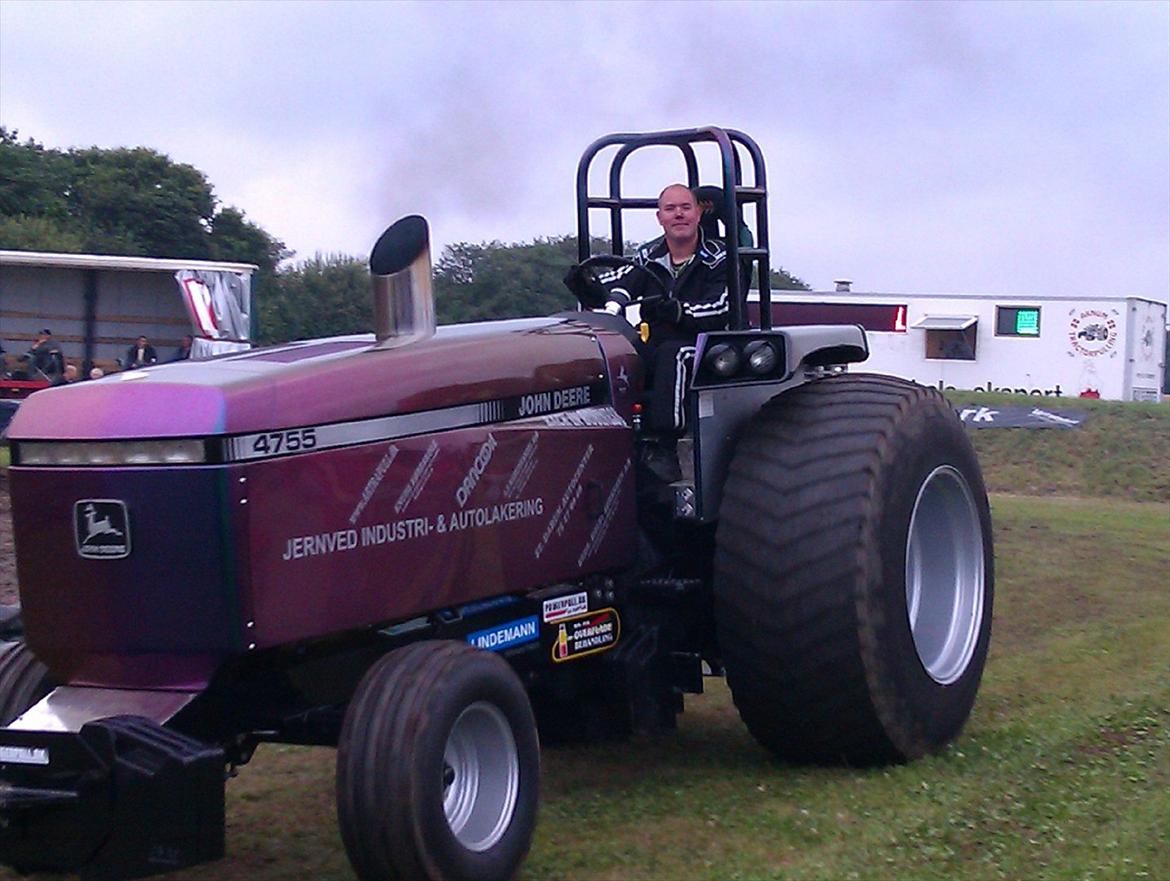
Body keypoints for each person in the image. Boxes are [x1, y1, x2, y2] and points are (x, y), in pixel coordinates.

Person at [597, 184, 731, 435]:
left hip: (708, 344)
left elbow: (722, 307)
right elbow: (620, 280)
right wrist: (588, 284)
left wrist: (680, 312)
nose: (678, 214)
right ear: (660, 218)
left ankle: (667, 442)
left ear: (698, 214)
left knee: (673, 355)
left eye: (685, 207)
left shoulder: (721, 258)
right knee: (618, 353)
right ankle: (613, 436)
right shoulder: (648, 256)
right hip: (655, 340)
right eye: (670, 209)